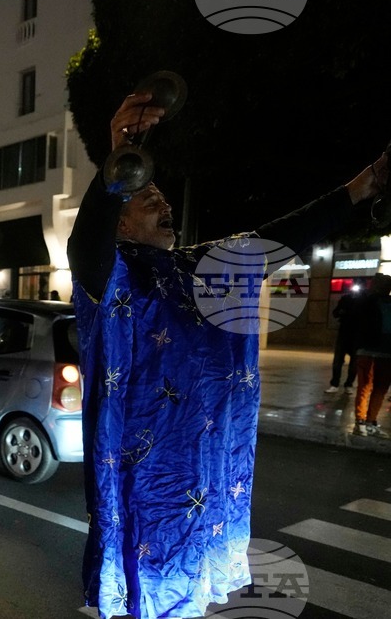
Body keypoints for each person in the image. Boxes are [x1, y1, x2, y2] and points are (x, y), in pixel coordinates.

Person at [67, 90, 389, 619]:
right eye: (147, 199)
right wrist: (115, 163)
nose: (164, 205)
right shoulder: (109, 275)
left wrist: (363, 187)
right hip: (145, 482)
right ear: (120, 223)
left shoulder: (201, 269)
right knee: (150, 590)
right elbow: (86, 241)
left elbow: (278, 238)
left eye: (163, 198)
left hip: (205, 472)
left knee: (191, 587)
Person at [351, 273, 391, 438]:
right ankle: (362, 421)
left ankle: (369, 421)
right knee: (366, 386)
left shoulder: (377, 302)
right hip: (369, 349)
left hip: (385, 351)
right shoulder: (366, 302)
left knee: (379, 388)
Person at [327, 285, 363, 394]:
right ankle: (335, 384)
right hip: (344, 334)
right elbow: (335, 313)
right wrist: (341, 312)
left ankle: (348, 384)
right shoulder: (345, 299)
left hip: (356, 335)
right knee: (338, 361)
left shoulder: (363, 301)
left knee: (354, 363)